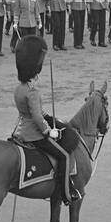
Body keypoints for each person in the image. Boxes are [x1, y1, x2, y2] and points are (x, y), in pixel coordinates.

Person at [11, 34, 81, 206]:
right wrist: (49, 131)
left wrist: (49, 118)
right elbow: (36, 117)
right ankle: (65, 193)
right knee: (64, 155)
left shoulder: (19, 88)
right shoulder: (32, 91)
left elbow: (32, 112)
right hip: (33, 134)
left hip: (19, 130)